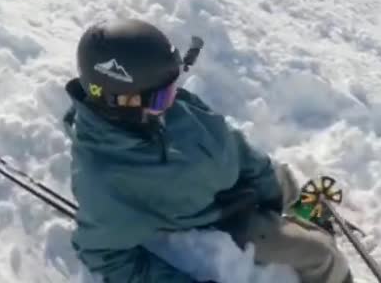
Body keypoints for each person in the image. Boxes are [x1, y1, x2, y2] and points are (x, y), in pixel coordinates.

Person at [63, 18, 352, 283]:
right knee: (321, 254)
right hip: (221, 216)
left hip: (240, 180)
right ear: (121, 101)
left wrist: (268, 189)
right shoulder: (103, 179)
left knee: (283, 178)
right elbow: (107, 257)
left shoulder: (165, 109)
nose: (173, 100)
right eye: (163, 96)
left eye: (173, 88)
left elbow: (229, 141)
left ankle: (299, 212)